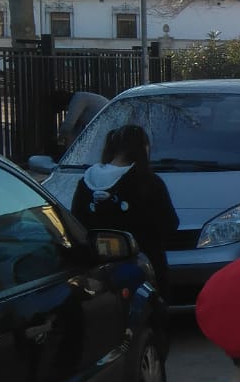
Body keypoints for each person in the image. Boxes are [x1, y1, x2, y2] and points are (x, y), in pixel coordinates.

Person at [73, 123, 179, 293]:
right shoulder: (148, 183)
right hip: (142, 271)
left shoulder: (86, 182)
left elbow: (77, 224)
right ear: (143, 148)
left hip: (97, 273)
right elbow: (169, 224)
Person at [51, 89, 108, 155]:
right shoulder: (83, 101)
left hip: (108, 124)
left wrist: (60, 141)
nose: (66, 110)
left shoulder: (78, 99)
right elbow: (74, 133)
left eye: (64, 109)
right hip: (106, 126)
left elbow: (68, 125)